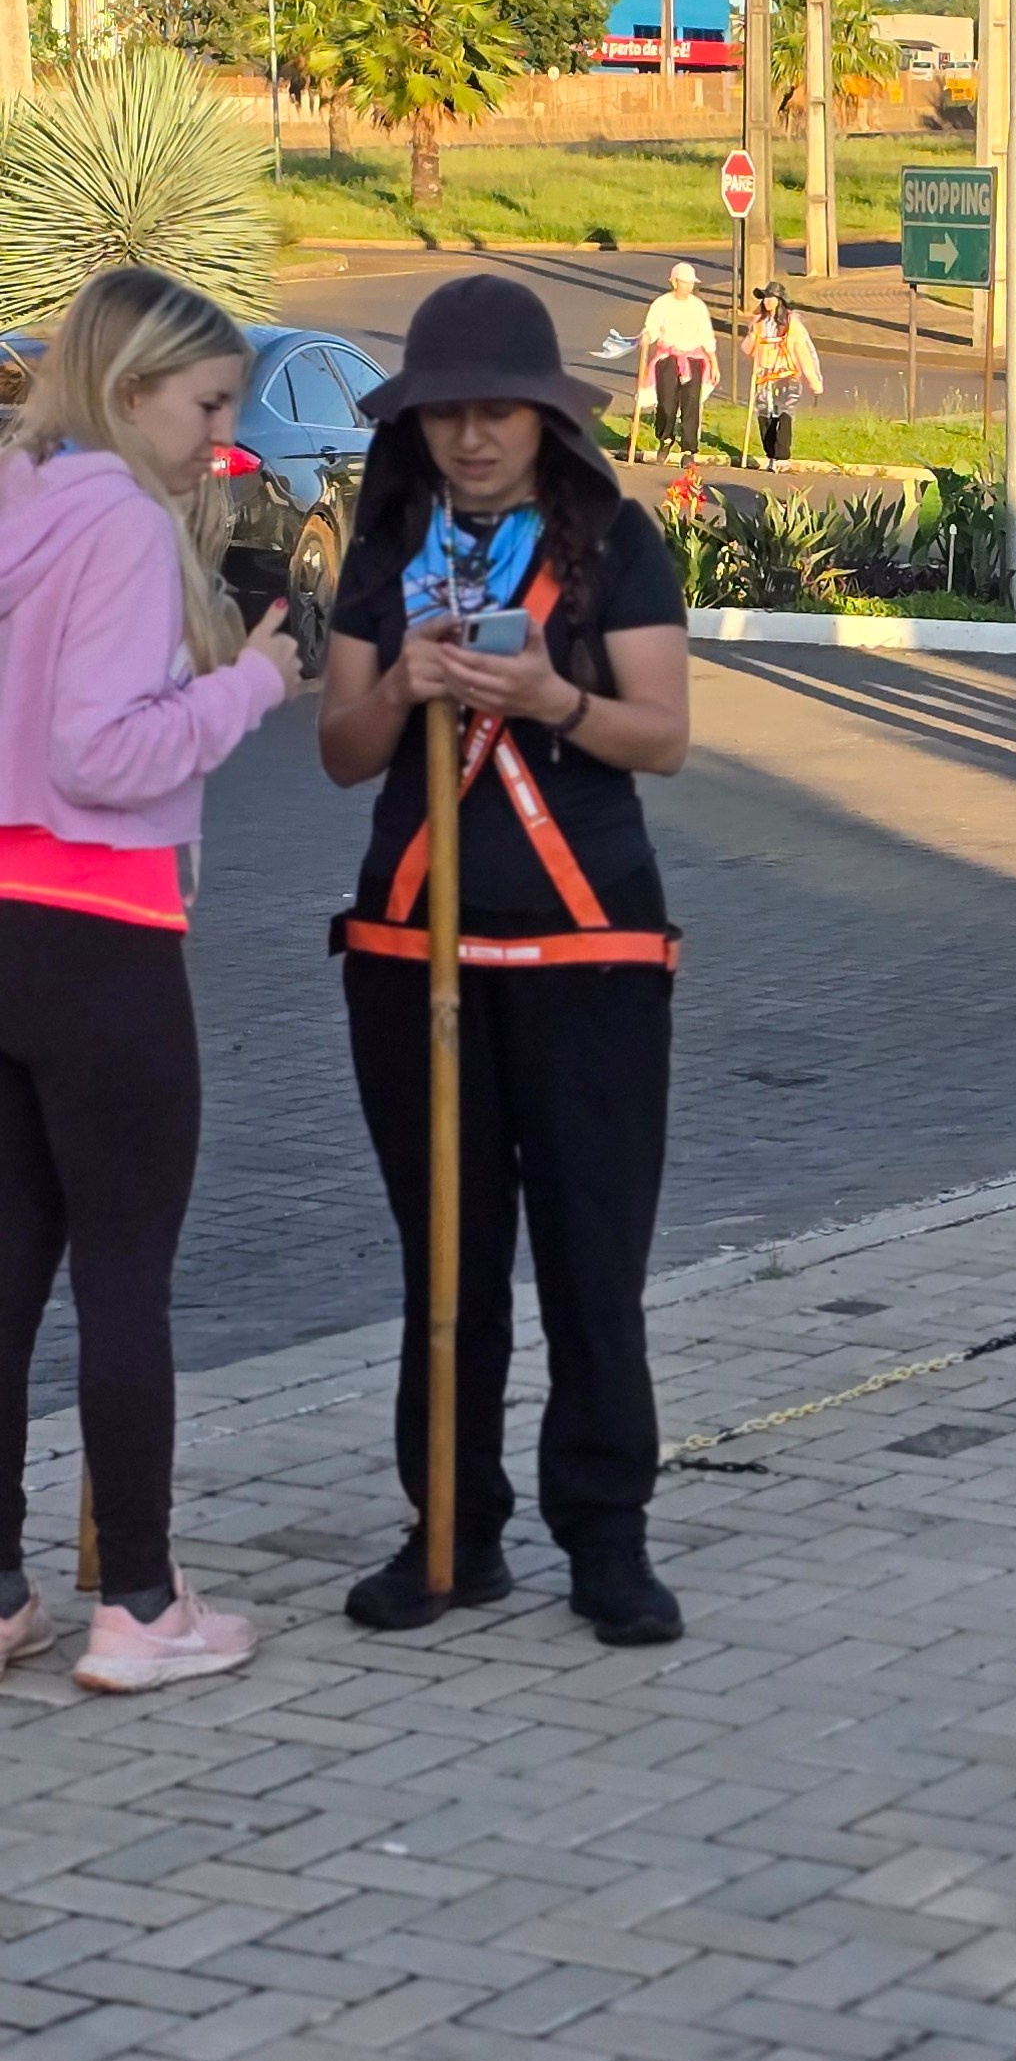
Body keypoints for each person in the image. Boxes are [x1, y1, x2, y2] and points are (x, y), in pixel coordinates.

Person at [320, 273, 693, 1647]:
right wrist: (401, 685)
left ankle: (607, 1535)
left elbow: (662, 734)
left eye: (497, 413)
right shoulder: (385, 547)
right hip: (413, 947)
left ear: (546, 416)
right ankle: (451, 1529)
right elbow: (341, 750)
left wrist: (550, 697)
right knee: (448, 1262)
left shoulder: (616, 543)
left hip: (589, 950)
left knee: (594, 1256)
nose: (471, 438)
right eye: (445, 416)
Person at [0, 268, 302, 1696]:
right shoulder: (121, 521)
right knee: (125, 1269)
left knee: (9, 1268)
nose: (219, 437)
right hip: (101, 928)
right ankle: (137, 1600)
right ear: (132, 395)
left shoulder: (20, 501)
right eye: (207, 404)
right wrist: (251, 683)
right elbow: (102, 750)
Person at [638, 262, 720, 460]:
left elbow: (707, 335)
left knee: (691, 403)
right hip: (668, 358)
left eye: (691, 283)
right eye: (685, 282)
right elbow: (652, 328)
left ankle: (688, 449)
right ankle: (666, 438)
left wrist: (714, 363)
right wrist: (647, 336)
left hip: (693, 359)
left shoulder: (698, 306)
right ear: (674, 282)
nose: (689, 287)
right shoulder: (661, 304)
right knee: (666, 403)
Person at [746, 284, 823, 464]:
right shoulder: (759, 323)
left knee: (784, 411)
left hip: (786, 373)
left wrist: (814, 380)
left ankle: (782, 456)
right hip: (765, 374)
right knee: (764, 413)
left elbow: (804, 353)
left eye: (771, 298)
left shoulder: (792, 324)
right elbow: (748, 348)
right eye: (765, 298)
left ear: (779, 300)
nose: (767, 301)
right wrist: (753, 338)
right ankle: (770, 454)